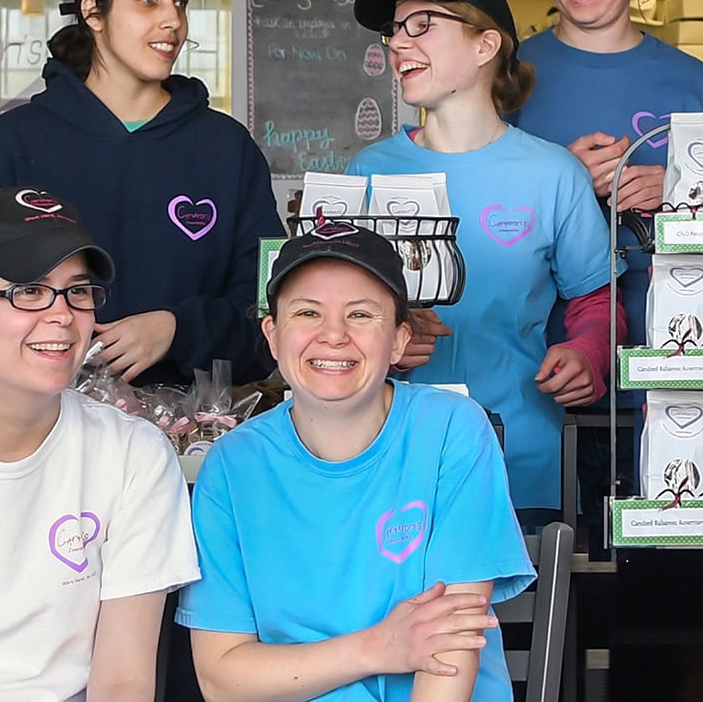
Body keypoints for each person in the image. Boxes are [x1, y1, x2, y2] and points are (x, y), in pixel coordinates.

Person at [177, 220, 535, 702]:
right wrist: (379, 648)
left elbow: (448, 655)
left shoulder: (452, 431)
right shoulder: (232, 466)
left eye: (361, 315)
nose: (333, 335)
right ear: (273, 334)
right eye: (307, 312)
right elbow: (224, 680)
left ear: (399, 340)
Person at [0, 0, 285, 387]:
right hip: (40, 427)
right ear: (93, 12)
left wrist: (177, 330)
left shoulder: (227, 147)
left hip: (191, 433)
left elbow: (271, 306)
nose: (174, 21)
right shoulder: (17, 140)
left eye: (180, 2)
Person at [345, 0, 626, 516]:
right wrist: (387, 338)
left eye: (421, 25)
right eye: (395, 31)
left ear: (485, 44)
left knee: (517, 606)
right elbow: (326, 313)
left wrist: (589, 352)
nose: (400, 42)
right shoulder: (366, 173)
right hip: (387, 458)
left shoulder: (553, 173)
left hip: (520, 461)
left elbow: (597, 297)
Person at [0, 187, 198, 701]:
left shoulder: (134, 455)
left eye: (77, 291)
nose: (62, 315)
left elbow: (124, 680)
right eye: (29, 291)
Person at [513, 0, 703, 551]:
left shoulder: (690, 84)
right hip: (539, 380)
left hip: (671, 392)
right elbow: (467, 216)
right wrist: (555, 176)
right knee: (540, 590)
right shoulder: (505, 80)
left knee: (659, 612)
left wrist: (682, 197)